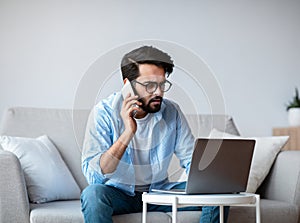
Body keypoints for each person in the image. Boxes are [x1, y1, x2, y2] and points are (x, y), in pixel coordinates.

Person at [80, 45, 229, 223]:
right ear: (128, 85)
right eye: (150, 85)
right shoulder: (103, 113)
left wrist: (209, 181)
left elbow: (191, 160)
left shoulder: (171, 112)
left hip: (159, 194)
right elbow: (95, 176)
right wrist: (128, 133)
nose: (159, 92)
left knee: (217, 190)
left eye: (162, 84)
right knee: (93, 195)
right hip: (118, 193)